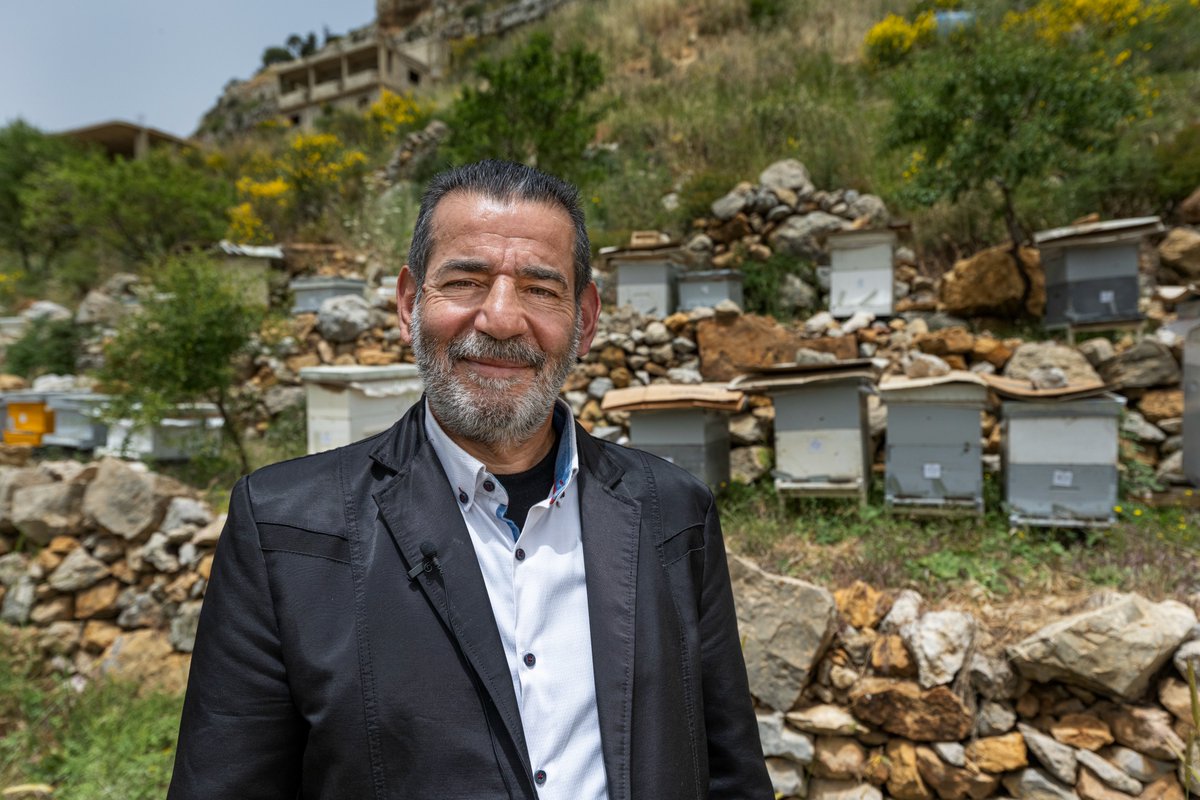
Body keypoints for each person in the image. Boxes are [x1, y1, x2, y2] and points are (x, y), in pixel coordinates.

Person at [168, 160, 771, 800]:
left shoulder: (674, 514)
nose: (501, 318)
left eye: (541, 289)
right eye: (464, 281)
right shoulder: (285, 529)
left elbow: (730, 773)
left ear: (586, 320)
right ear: (409, 305)